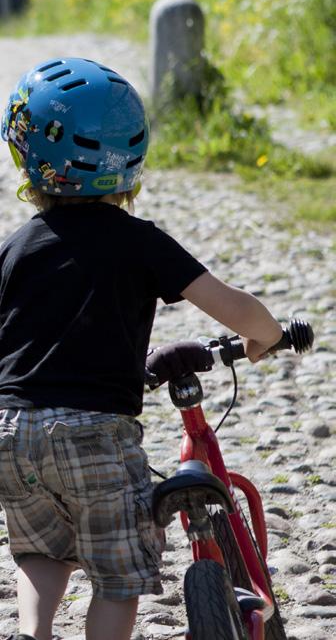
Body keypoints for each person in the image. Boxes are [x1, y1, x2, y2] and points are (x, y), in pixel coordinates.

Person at [0, 57, 283, 640]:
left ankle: (34, 632)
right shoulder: (141, 242)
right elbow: (233, 306)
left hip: (10, 429)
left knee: (42, 551)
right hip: (95, 433)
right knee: (117, 577)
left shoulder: (14, 248)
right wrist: (267, 335)